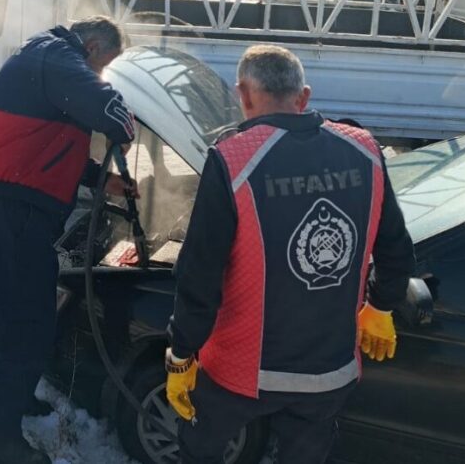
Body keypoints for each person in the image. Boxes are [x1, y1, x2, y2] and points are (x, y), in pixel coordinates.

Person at [165, 44, 415, 464]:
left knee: (201, 450)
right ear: (305, 97)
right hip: (330, 371)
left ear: (242, 95)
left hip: (240, 373)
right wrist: (381, 304)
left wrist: (181, 353)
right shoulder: (365, 150)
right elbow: (395, 245)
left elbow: (200, 273)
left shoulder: (233, 159)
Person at [0, 16, 137, 464]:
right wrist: (126, 127)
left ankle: (13, 399)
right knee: (31, 322)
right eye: (104, 66)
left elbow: (43, 143)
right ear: (93, 46)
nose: (100, 76)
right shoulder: (56, 56)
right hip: (10, 212)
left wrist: (102, 180)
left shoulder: (45, 59)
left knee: (12, 311)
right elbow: (111, 112)